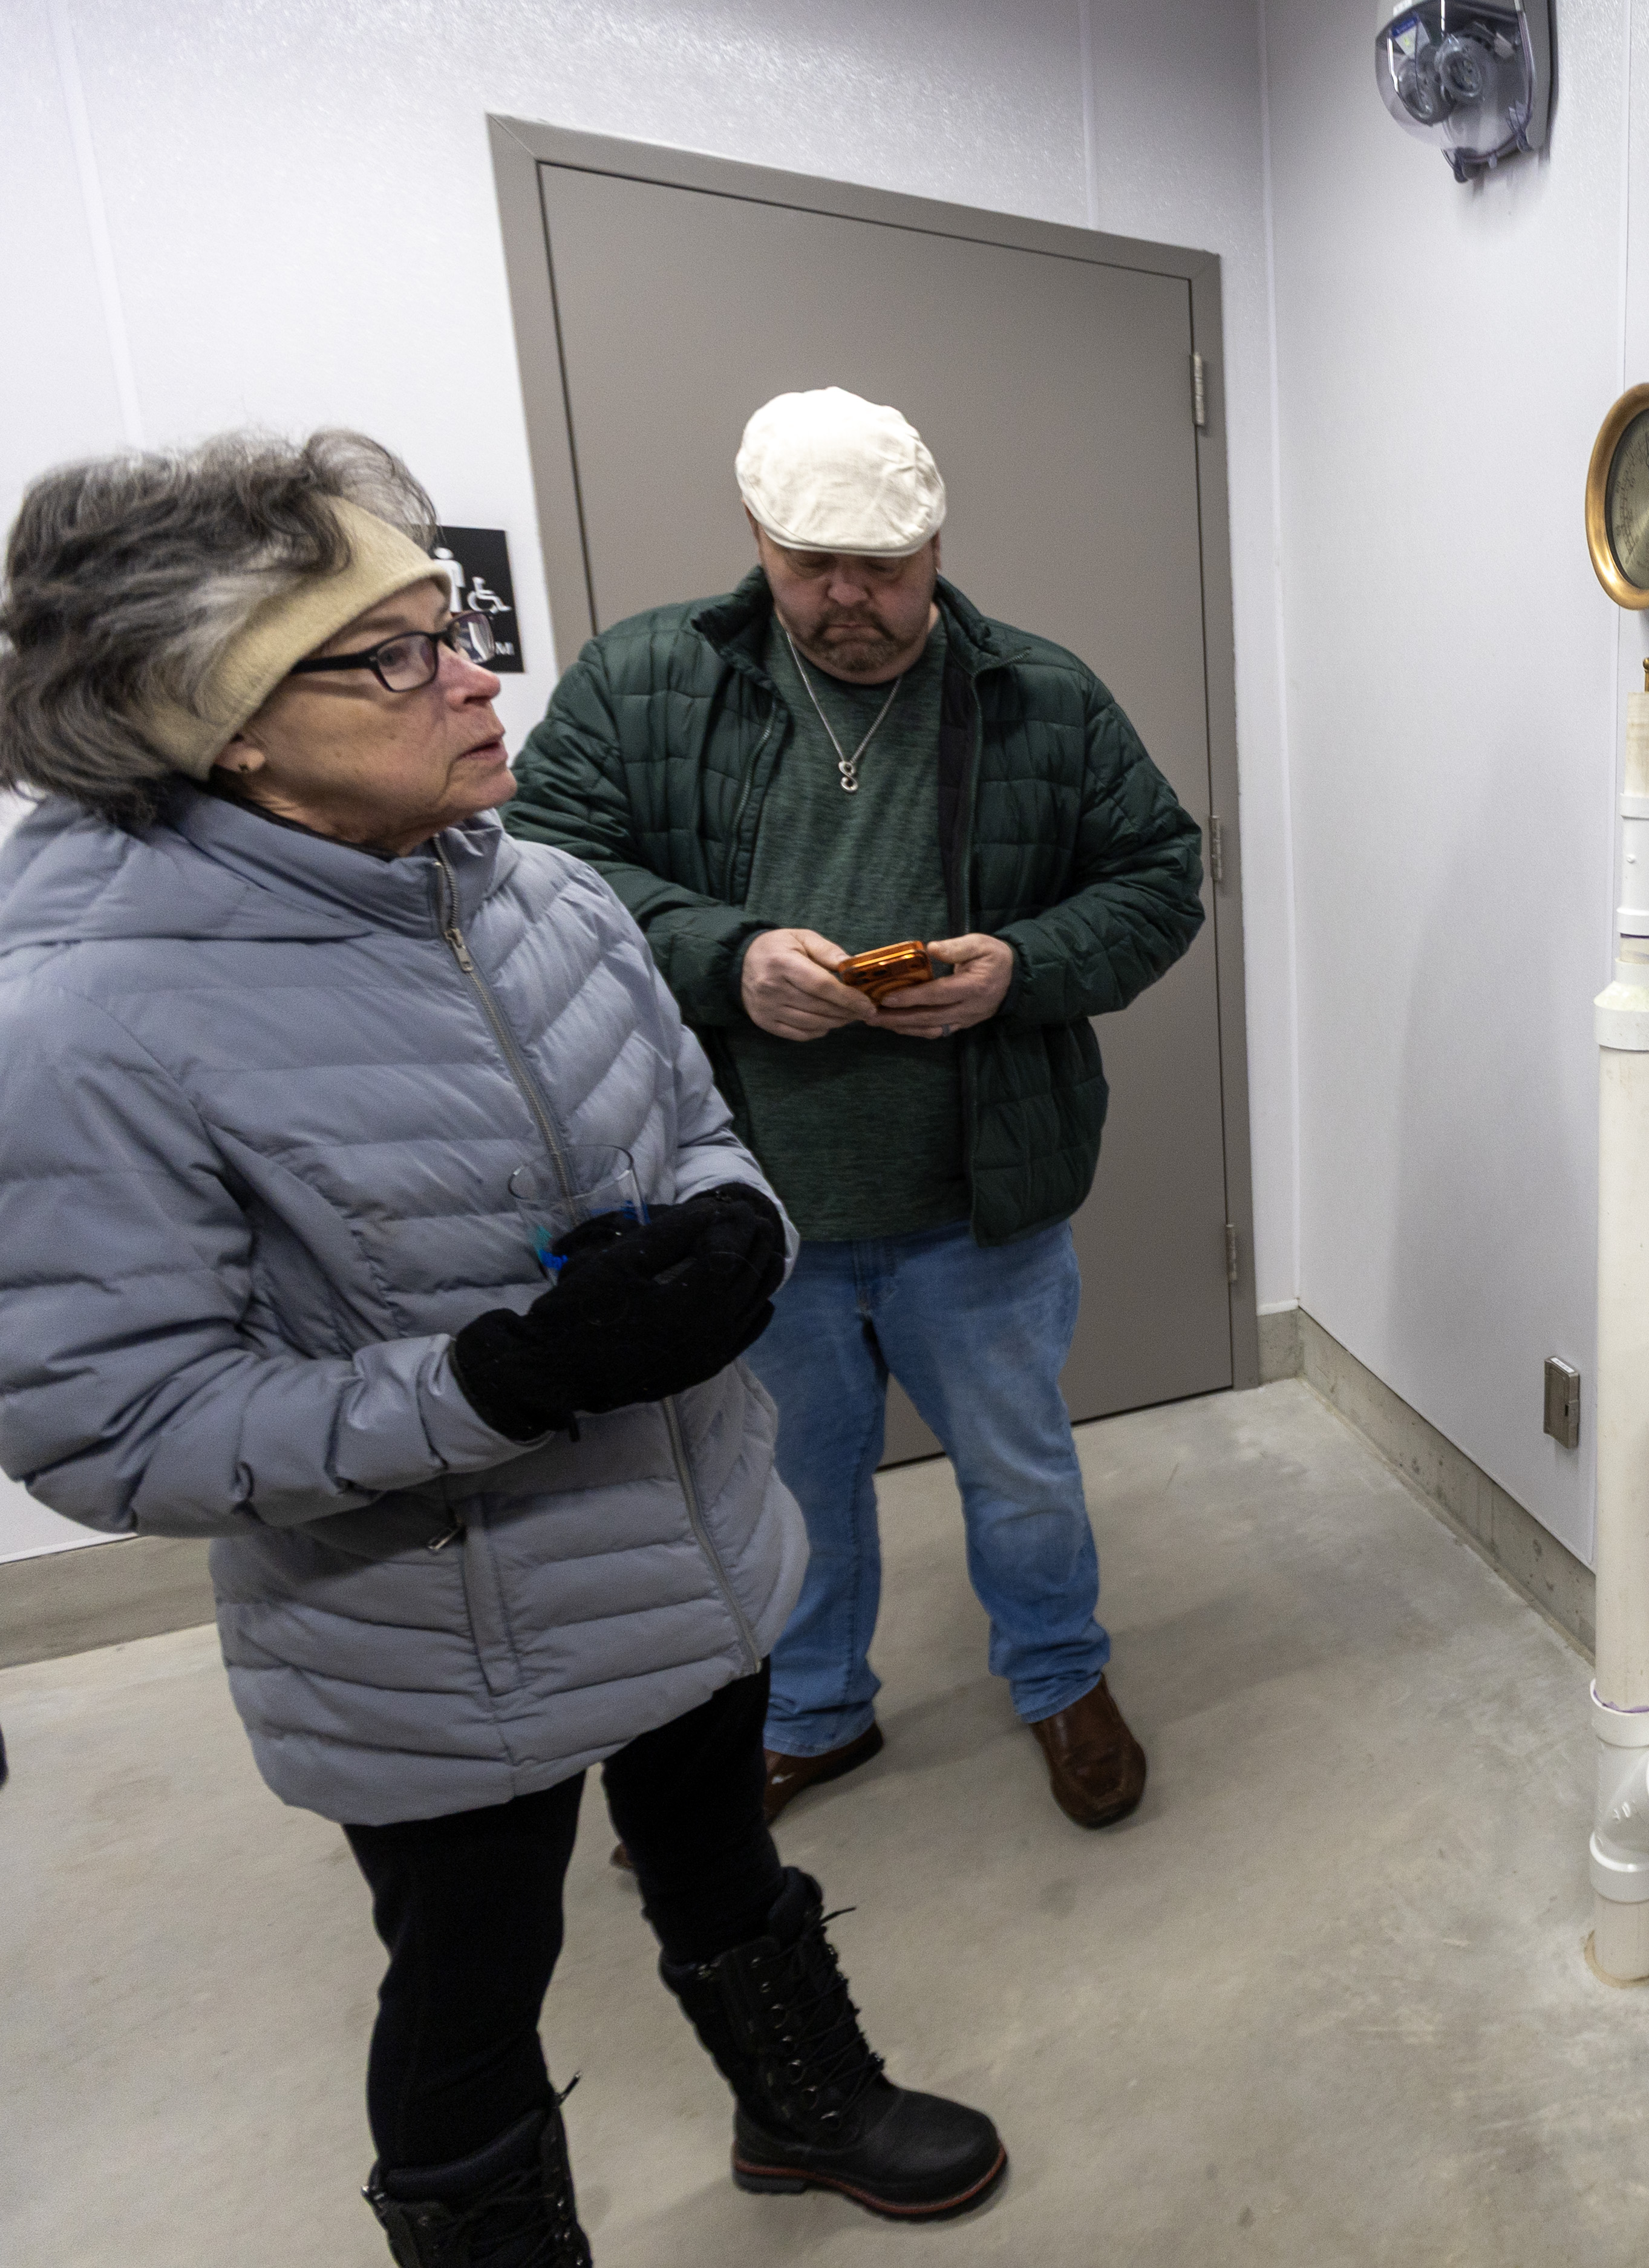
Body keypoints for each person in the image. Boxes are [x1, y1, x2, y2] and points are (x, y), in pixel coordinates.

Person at [0, 433, 1008, 2263]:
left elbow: (696, 1125)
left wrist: (735, 1230)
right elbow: (113, 1418)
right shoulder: (84, 1017)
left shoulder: (529, 885)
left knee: (725, 1858)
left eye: (447, 621)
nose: (474, 673)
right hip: (428, 1630)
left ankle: (801, 2105)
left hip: (685, 1532)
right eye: (391, 654)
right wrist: (497, 1381)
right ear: (216, 720)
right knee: (472, 1974)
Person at [509, 389, 1204, 1848]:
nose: (853, 602)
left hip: (980, 1200)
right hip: (747, 1208)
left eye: (886, 569)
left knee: (1022, 1474)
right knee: (794, 1482)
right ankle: (817, 1709)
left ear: (935, 543)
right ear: (755, 539)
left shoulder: (1039, 693)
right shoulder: (647, 679)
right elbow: (543, 873)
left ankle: (1060, 1676)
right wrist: (728, 957)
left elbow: (1157, 878)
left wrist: (1024, 968)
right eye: (815, 565)